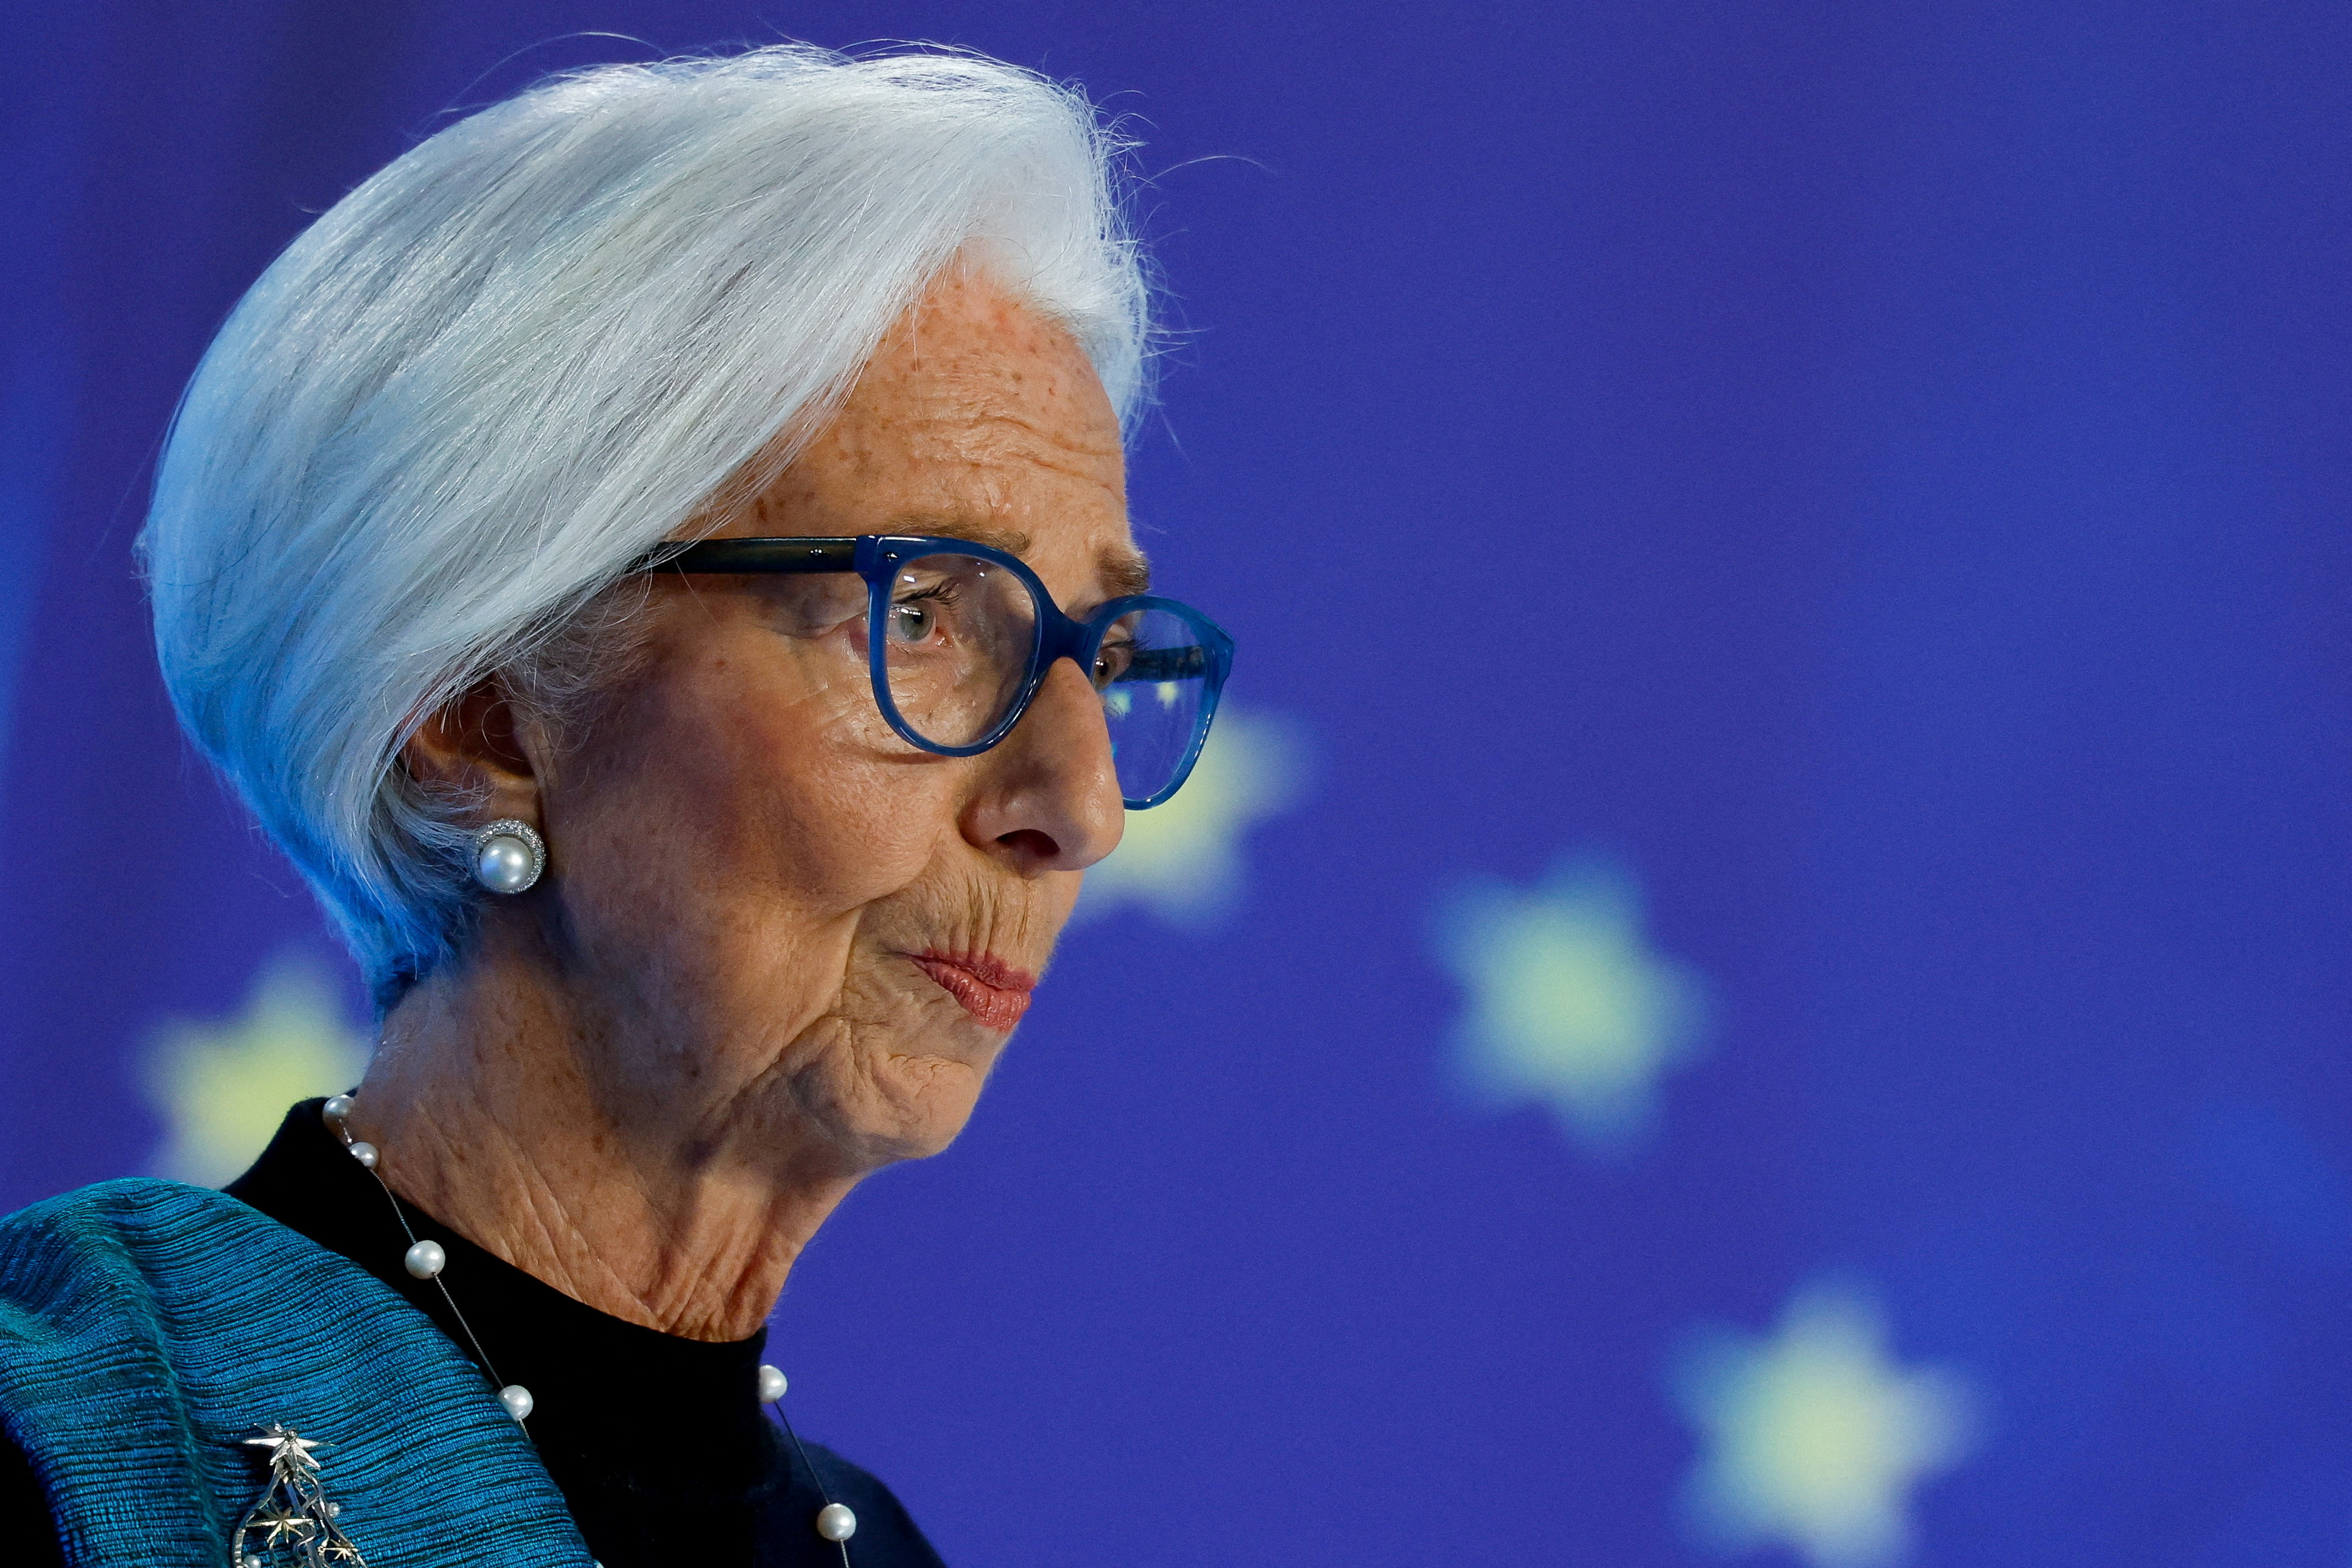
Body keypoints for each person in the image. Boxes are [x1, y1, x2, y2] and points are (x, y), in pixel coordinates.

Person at [0, 43, 1231, 1567]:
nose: (1082, 803)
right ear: (480, 712)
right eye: (922, 613)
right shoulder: (79, 1426)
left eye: (1100, 654)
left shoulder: (878, 1551)